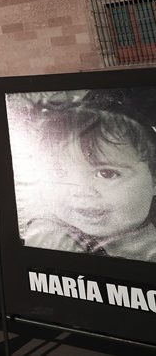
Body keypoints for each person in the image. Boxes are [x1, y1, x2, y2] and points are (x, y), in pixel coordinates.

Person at [10, 89, 156, 261]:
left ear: (154, 180)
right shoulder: (54, 239)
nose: (80, 191)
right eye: (59, 173)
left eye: (106, 173)